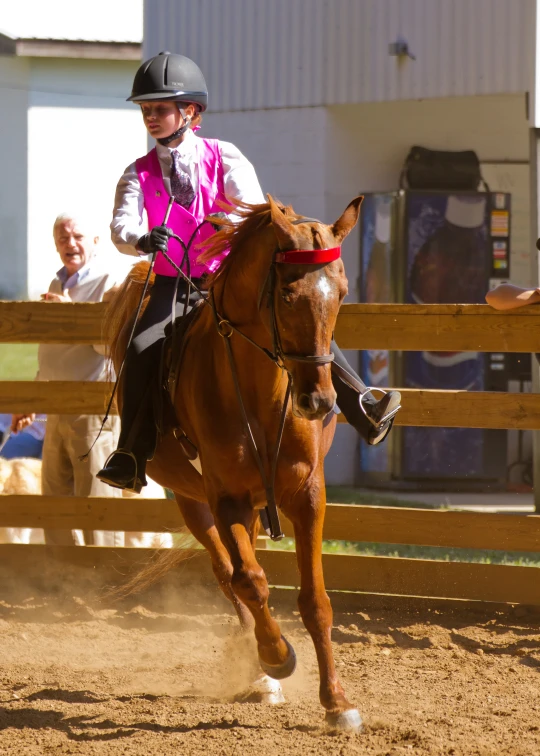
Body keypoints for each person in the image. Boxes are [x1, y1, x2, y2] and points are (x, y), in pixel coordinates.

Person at [97, 52, 401, 492]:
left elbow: (251, 212)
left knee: (299, 323)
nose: (151, 116)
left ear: (191, 112)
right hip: (169, 283)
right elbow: (120, 226)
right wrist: (142, 240)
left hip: (223, 279)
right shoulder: (136, 173)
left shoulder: (225, 156)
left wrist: (221, 229)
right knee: (142, 344)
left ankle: (362, 405)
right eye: (146, 109)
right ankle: (131, 450)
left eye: (160, 108)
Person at [11, 213, 124, 546]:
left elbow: (108, 348)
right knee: (54, 503)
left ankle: (105, 587)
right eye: (62, 238)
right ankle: (65, 583)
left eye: (77, 237)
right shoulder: (56, 283)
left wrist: (71, 313)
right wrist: (33, 399)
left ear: (95, 242)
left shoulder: (109, 283)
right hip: (57, 409)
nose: (70, 244)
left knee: (97, 505)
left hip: (93, 412)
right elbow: (51, 352)